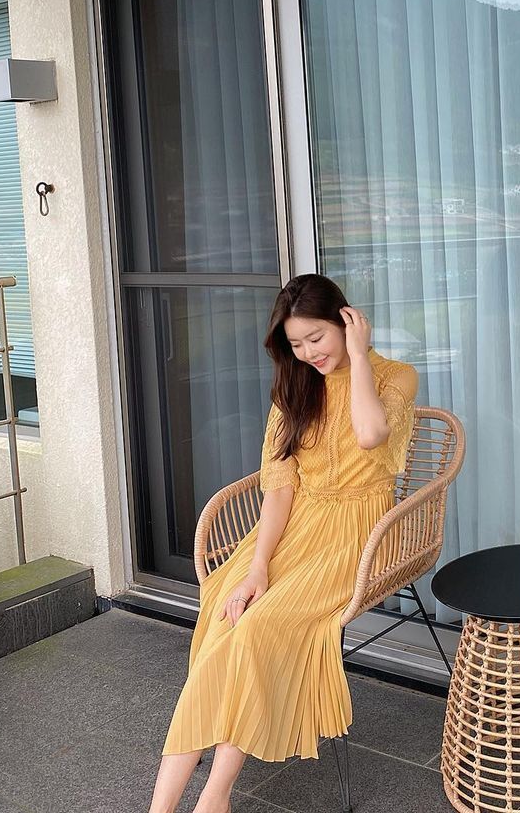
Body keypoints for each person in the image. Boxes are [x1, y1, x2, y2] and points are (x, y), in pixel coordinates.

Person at [148, 273, 419, 813]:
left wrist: (358, 356)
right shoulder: (293, 392)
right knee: (226, 618)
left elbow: (370, 435)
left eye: (317, 337)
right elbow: (278, 490)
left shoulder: (395, 376)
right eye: (296, 344)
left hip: (359, 536)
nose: (309, 353)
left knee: (257, 629)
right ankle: (163, 807)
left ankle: (214, 796)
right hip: (294, 528)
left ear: (346, 321)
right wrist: (257, 567)